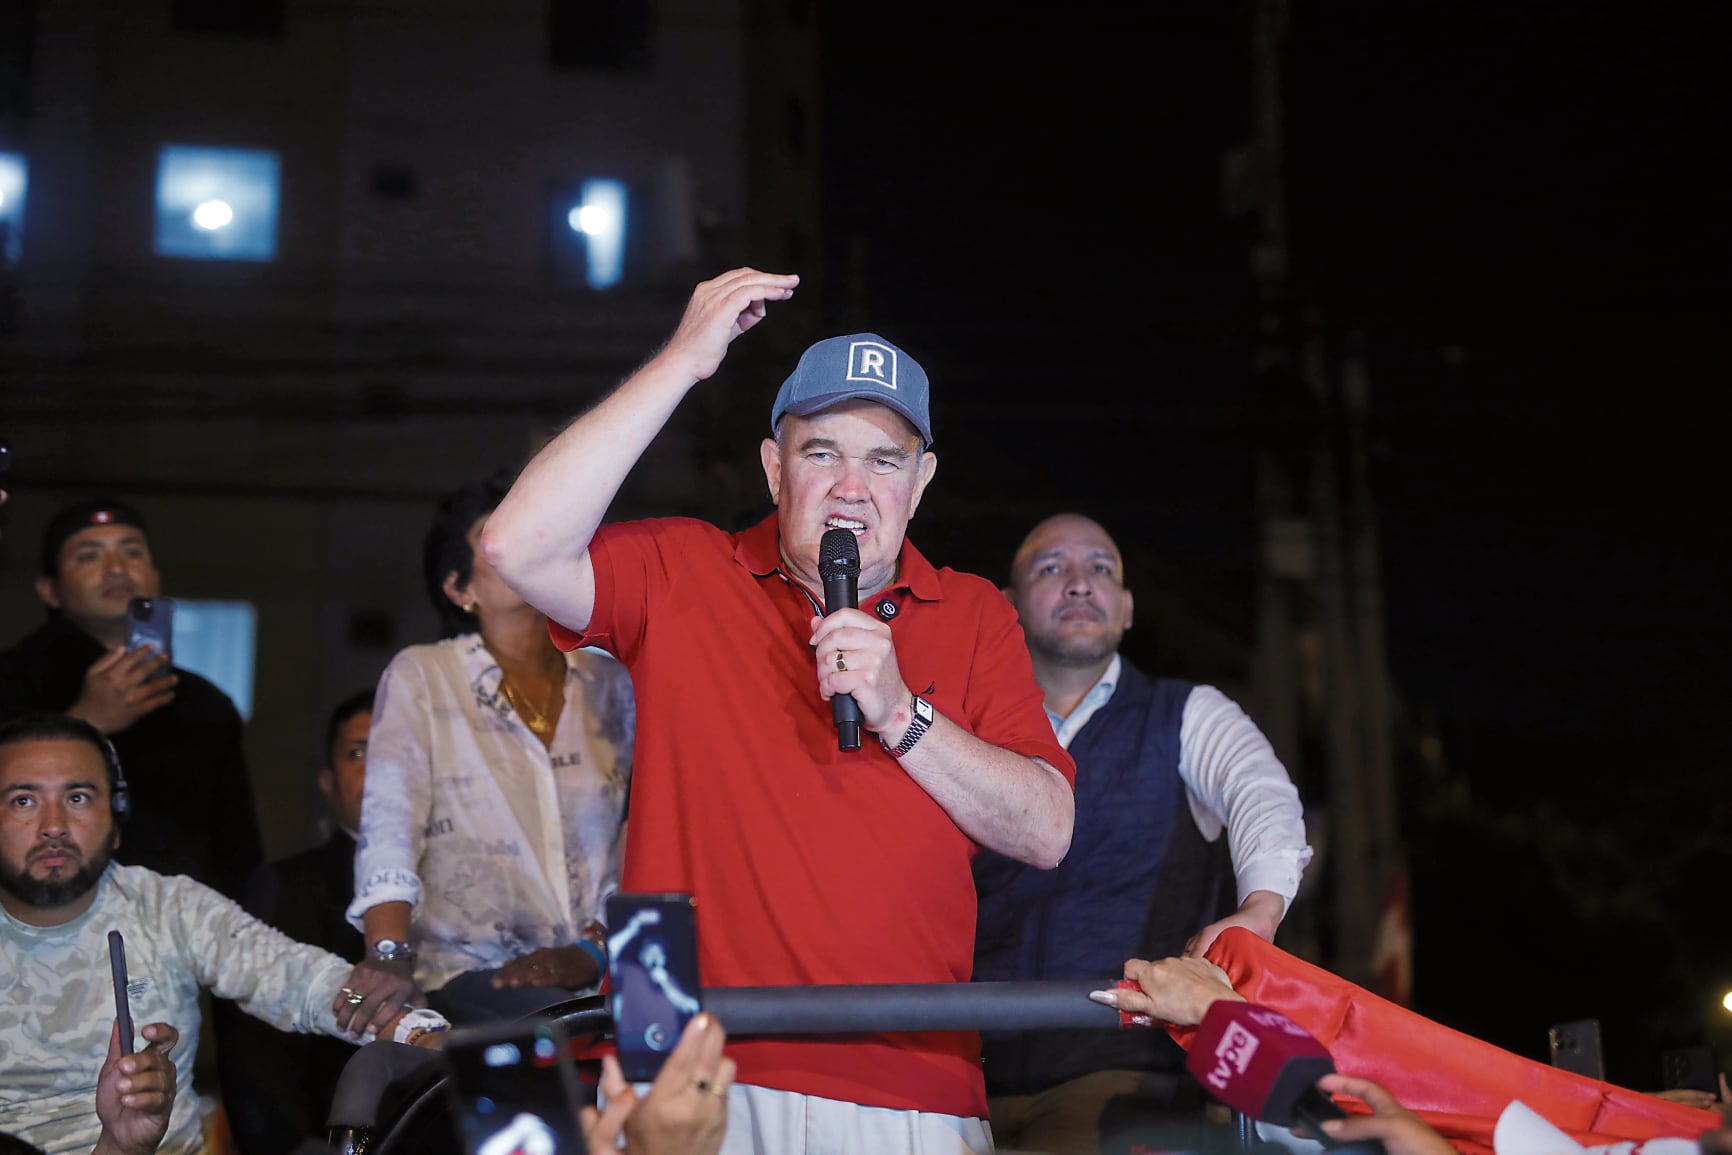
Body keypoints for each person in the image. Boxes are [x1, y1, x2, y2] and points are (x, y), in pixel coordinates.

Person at [480, 268, 1076, 1153]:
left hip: (907, 1072)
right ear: (772, 466)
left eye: (884, 460)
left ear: (922, 482)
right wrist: (684, 361)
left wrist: (900, 711)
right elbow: (512, 544)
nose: (851, 485)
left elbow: (1049, 829)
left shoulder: (977, 609)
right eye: (821, 452)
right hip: (689, 1062)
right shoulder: (685, 569)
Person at [972, 512, 1313, 1153]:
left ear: (1126, 609)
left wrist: (1259, 910)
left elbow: (1260, 793)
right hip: (960, 1071)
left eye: (1100, 569)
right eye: (1052, 569)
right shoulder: (962, 732)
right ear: (1009, 608)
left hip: (1123, 1083)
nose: (1079, 584)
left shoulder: (1186, 714)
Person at [0, 713, 436, 1155]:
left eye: (77, 797)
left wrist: (415, 1030)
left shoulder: (169, 907)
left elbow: (309, 983)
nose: (53, 825)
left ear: (116, 817)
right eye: (23, 801)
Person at [343, 473, 634, 1026]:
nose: (526, 540)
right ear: (459, 589)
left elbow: (640, 835)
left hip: (601, 971)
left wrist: (593, 950)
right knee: (557, 1029)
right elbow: (390, 822)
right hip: (472, 972)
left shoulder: (610, 684)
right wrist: (387, 953)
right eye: (498, 534)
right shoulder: (426, 675)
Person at [0, 500, 261, 899]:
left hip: (177, 934)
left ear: (156, 576)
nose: (117, 567)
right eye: (89, 555)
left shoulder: (205, 705)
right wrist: (85, 723)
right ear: (49, 590)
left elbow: (238, 854)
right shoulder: (11, 681)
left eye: (132, 551)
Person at [216, 690, 375, 1155]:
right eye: (358, 752)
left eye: (395, 750)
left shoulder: (476, 885)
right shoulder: (285, 887)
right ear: (328, 782)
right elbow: (254, 1055)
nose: (379, 767)